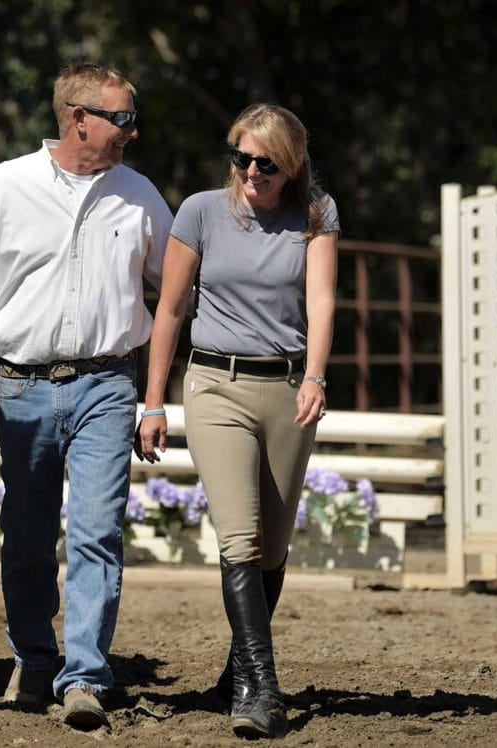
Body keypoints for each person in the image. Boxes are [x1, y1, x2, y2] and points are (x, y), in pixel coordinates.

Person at [0, 62, 173, 730]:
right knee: (28, 538)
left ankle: (84, 676)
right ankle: (34, 657)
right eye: (121, 119)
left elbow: (175, 287)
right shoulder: (7, 185)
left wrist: (157, 394)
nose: (131, 130)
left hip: (108, 384)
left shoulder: (141, 196)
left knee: (96, 533)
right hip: (23, 387)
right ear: (77, 116)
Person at [136, 103, 338, 739]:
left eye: (267, 162)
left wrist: (315, 375)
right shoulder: (198, 212)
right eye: (242, 157)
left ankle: (237, 675)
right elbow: (169, 309)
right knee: (240, 537)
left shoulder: (316, 215)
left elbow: (323, 302)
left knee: (273, 547)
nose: (251, 171)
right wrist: (153, 399)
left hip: (285, 387)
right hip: (214, 384)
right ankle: (263, 686)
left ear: (291, 165)